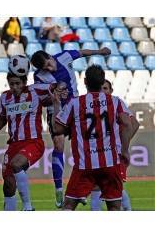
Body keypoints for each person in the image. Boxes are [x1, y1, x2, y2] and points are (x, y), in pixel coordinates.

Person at [31, 47, 111, 208]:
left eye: (48, 64)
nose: (48, 68)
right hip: (56, 110)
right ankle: (59, 189)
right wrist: (53, 96)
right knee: (59, 145)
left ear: (50, 56)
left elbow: (81, 52)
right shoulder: (38, 76)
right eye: (45, 68)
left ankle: (83, 187)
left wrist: (100, 51)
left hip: (76, 108)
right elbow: (42, 98)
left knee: (84, 146)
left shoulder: (64, 56)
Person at [51, 64, 133, 211]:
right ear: (102, 82)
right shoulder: (115, 101)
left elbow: (57, 129)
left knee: (69, 205)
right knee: (114, 206)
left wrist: (56, 104)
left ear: (85, 81)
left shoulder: (75, 103)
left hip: (85, 165)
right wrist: (125, 150)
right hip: (110, 163)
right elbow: (127, 124)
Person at [0, 71, 53, 211]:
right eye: (12, 84)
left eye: (18, 83)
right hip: (13, 145)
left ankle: (28, 207)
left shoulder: (34, 92)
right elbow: (2, 119)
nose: (15, 87)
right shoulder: (5, 97)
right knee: (8, 184)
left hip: (33, 142)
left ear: (24, 83)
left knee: (16, 164)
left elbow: (55, 87)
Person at [90, 79, 139, 211]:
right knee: (96, 187)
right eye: (101, 88)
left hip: (115, 152)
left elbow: (134, 124)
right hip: (97, 151)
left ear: (111, 91)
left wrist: (124, 145)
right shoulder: (92, 105)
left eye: (106, 88)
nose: (103, 91)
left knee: (114, 186)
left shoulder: (116, 103)